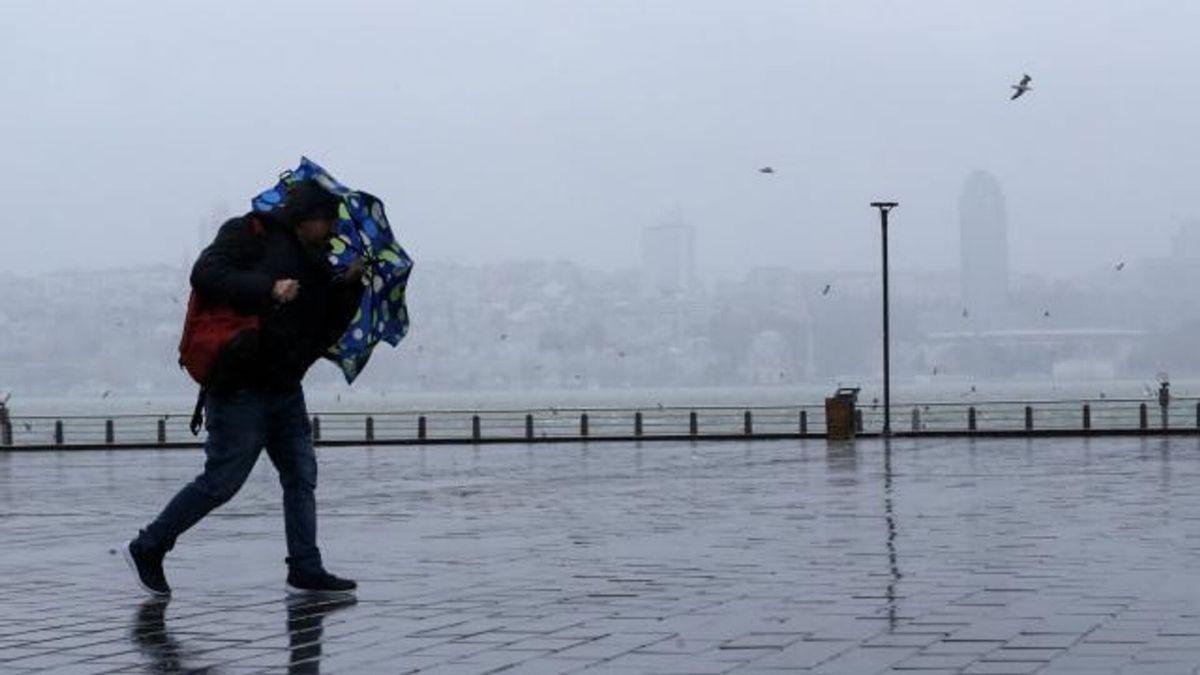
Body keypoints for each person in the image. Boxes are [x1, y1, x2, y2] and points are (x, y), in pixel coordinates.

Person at [124, 180, 362, 597]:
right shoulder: (249, 232)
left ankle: (305, 567)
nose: (333, 231)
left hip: (285, 388)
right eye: (328, 221)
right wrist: (268, 289)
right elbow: (206, 273)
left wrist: (349, 287)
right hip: (239, 386)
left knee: (301, 476)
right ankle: (149, 546)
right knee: (222, 481)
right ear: (307, 216)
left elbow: (324, 332)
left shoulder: (319, 264)